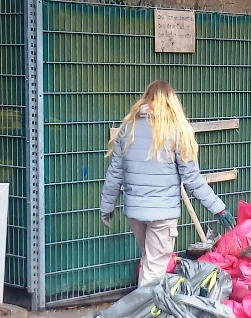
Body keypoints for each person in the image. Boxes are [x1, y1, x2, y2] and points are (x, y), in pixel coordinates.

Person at [100, 80, 236, 286]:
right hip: (163, 215)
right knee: (154, 270)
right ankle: (147, 314)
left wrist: (106, 207)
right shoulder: (176, 131)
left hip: (136, 214)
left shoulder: (129, 128)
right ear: (172, 102)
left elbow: (114, 173)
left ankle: (148, 310)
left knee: (149, 260)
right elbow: (192, 180)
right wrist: (219, 209)